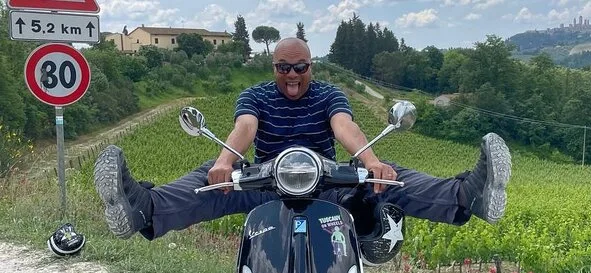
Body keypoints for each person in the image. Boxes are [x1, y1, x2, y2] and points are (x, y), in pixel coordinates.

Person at [93, 37, 511, 242]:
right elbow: (245, 128)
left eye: (300, 67)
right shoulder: (255, 96)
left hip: (326, 181)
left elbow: (344, 127)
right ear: (273, 67)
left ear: (311, 66)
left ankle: (467, 196)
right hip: (265, 181)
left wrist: (371, 161)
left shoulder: (329, 94)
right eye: (283, 67)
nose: (292, 75)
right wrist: (224, 161)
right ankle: (142, 208)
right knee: (210, 179)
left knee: (388, 178)